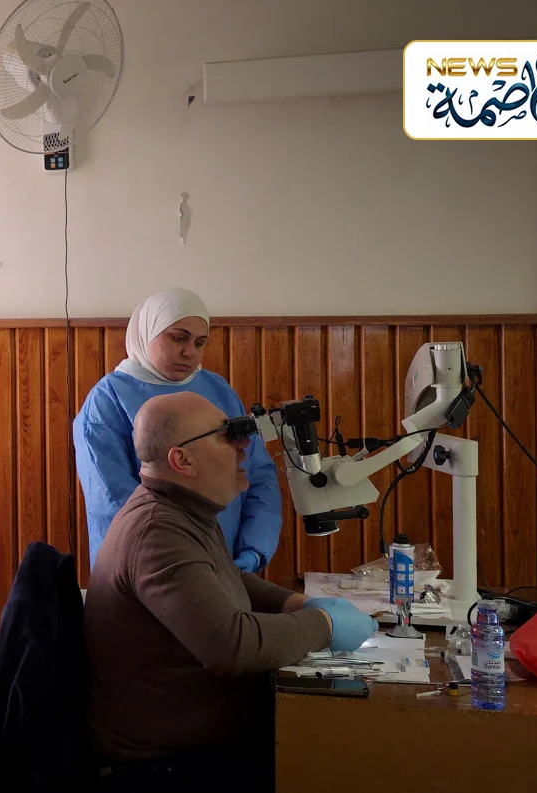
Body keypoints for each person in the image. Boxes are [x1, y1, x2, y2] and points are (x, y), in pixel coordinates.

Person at [83, 392, 376, 791]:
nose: (244, 446)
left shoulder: (179, 508)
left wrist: (295, 602)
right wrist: (323, 625)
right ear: (182, 460)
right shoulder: (158, 532)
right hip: (162, 766)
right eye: (227, 435)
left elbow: (226, 576)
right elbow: (231, 645)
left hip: (199, 742)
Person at [73, 287, 280, 572]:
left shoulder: (219, 390)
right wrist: (183, 566)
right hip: (151, 569)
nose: (189, 352)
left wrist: (253, 551)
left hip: (229, 565)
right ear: (147, 332)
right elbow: (114, 500)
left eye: (200, 342)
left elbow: (258, 475)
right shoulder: (109, 400)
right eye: (178, 338)